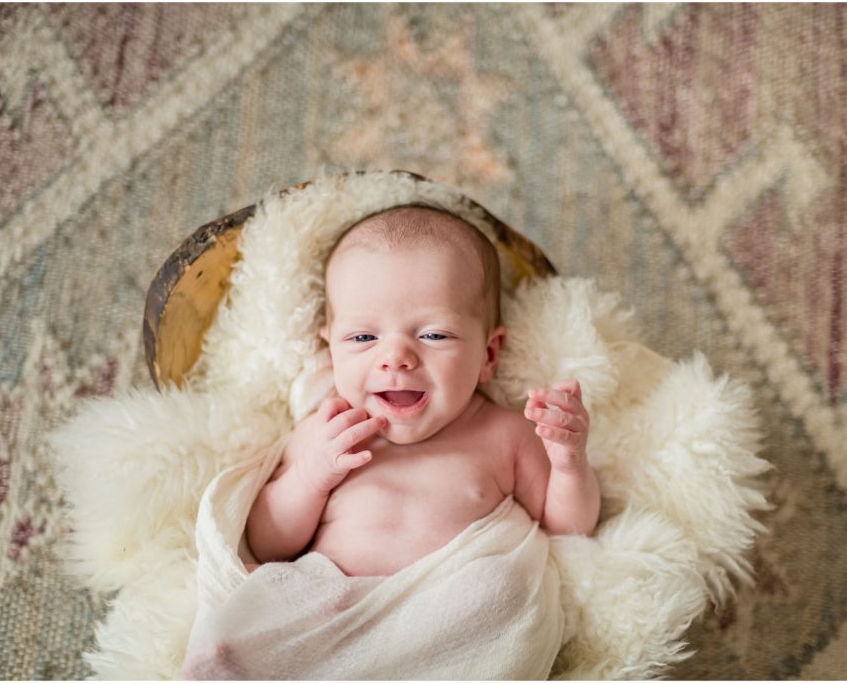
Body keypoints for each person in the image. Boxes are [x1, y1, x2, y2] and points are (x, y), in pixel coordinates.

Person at [245, 205, 600, 577]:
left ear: (488, 355)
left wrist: (569, 465)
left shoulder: (506, 436)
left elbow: (569, 531)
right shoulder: (327, 432)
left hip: (455, 612)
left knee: (501, 586)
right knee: (257, 593)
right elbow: (267, 544)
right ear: (331, 350)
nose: (396, 358)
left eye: (433, 335)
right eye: (364, 337)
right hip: (339, 607)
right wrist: (310, 475)